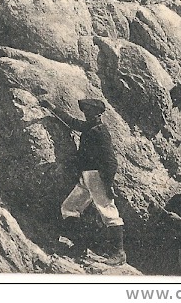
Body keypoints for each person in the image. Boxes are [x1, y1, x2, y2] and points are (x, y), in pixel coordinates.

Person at [51, 98, 127, 266]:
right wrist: (52, 107)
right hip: (86, 176)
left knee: (108, 213)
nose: (86, 113)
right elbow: (72, 122)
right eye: (85, 111)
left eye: (90, 111)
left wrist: (107, 184)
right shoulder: (89, 127)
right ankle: (80, 247)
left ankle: (119, 253)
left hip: (97, 177)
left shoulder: (100, 131)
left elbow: (111, 161)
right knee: (69, 208)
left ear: (99, 114)